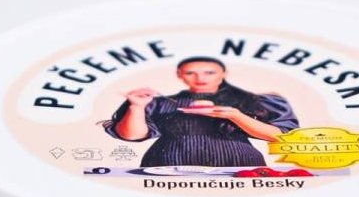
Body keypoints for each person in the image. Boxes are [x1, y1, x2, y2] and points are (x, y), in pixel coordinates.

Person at [103, 57, 299, 168]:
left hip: (239, 164)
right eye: (190, 73)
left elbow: (282, 137)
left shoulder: (254, 101)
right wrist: (136, 106)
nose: (200, 78)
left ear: (223, 74)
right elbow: (131, 136)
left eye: (209, 72)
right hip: (167, 166)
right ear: (180, 75)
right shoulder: (159, 102)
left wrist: (234, 115)